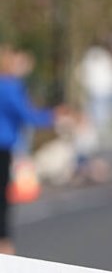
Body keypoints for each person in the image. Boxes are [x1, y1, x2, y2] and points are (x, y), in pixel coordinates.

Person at [0, 43, 71, 255]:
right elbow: (28, 115)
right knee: (2, 200)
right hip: (2, 147)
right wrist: (55, 116)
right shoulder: (9, 85)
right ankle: (4, 244)